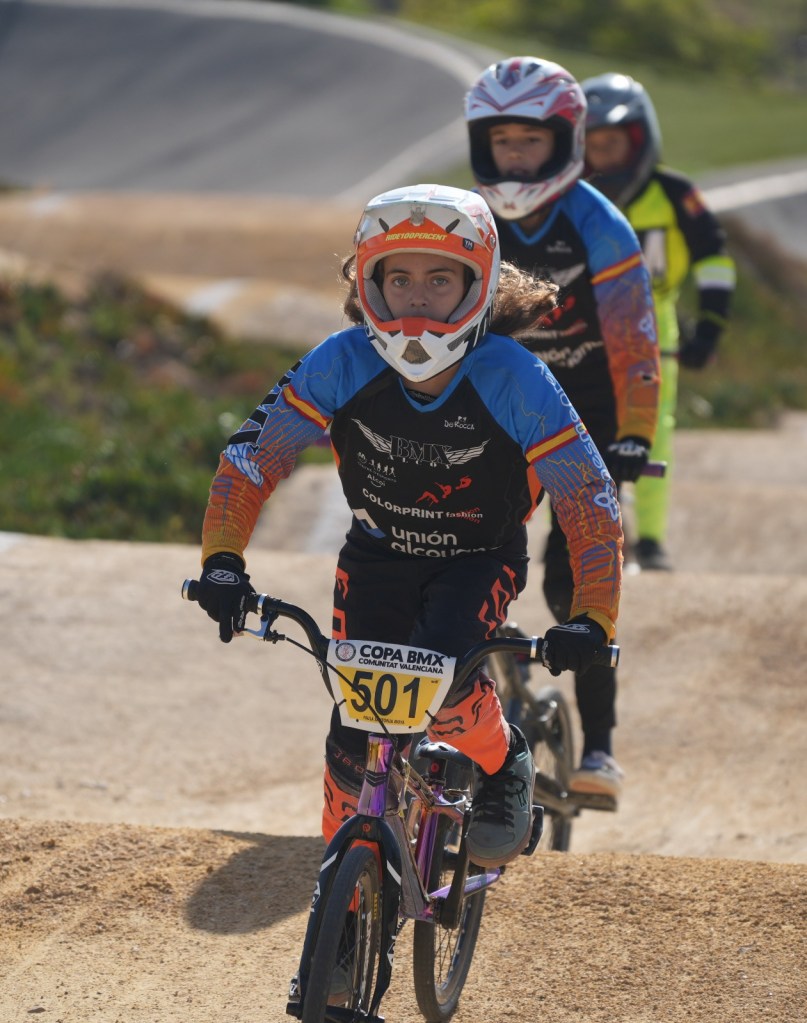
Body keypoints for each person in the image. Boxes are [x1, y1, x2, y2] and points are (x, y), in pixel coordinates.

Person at [194, 183, 625, 868]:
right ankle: (341, 880)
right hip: (376, 555)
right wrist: (223, 562)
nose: (416, 299)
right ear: (369, 284)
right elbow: (253, 458)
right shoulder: (340, 359)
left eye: (439, 279)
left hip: (478, 558)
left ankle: (504, 758)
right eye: (399, 279)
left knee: (447, 686)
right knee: (351, 739)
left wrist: (593, 617)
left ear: (478, 286)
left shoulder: (516, 376)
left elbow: (587, 499)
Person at [464, 57, 660, 802]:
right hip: (497, 412)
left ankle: (599, 749)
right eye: (502, 141)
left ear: (564, 140)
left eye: (530, 141)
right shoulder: (468, 220)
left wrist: (635, 434)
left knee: (572, 585)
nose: (515, 156)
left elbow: (634, 339)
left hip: (587, 419)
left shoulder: (598, 223)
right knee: (461, 558)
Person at [582, 72, 736, 571]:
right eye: (592, 145)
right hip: (581, 325)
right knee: (565, 428)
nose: (603, 156)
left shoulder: (674, 193)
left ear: (640, 139)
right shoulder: (574, 195)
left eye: (612, 144)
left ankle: (649, 540)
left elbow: (714, 257)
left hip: (655, 324)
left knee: (653, 429)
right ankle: (568, 535)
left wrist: (709, 326)